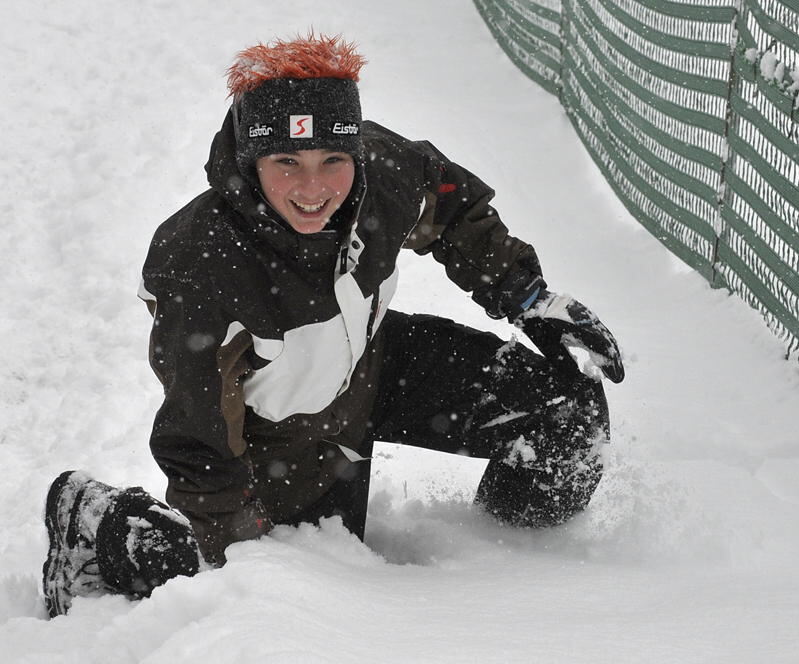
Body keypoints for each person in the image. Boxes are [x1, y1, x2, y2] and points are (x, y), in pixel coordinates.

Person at [42, 33, 624, 618]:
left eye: (332, 161)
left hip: (373, 365)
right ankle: (99, 521)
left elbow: (449, 208)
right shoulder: (202, 264)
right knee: (250, 584)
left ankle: (511, 553)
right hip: (283, 438)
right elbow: (200, 436)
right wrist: (236, 547)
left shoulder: (384, 175)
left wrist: (529, 298)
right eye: (287, 162)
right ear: (252, 162)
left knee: (567, 412)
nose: (313, 188)